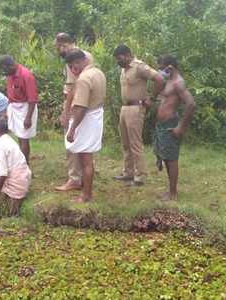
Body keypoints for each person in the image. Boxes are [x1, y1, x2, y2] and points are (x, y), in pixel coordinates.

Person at [113, 45, 164, 186]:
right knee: (125, 143)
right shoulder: (124, 69)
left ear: (128, 54)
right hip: (125, 108)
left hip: (136, 108)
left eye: (120, 58)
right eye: (116, 59)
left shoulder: (139, 66)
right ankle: (128, 172)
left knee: (135, 143)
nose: (118, 61)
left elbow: (159, 79)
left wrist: (151, 98)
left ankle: (140, 176)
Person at [54, 32, 94, 192]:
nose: (59, 50)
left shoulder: (72, 59)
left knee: (71, 141)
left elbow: (73, 88)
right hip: (87, 104)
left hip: (77, 103)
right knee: (85, 142)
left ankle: (74, 179)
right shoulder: (86, 56)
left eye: (59, 47)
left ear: (64, 44)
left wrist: (66, 111)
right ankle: (85, 176)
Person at [64, 49, 106, 203]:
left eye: (73, 66)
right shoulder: (98, 72)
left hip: (86, 119)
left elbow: (81, 108)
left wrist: (72, 129)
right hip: (95, 115)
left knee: (85, 159)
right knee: (87, 158)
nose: (73, 70)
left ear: (79, 62)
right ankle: (86, 192)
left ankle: (86, 195)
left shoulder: (84, 78)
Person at [154, 55, 194, 201]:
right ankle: (170, 190)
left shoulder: (178, 83)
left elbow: (190, 104)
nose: (161, 71)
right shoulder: (169, 81)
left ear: (170, 67)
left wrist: (181, 127)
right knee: (166, 157)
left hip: (171, 124)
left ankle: (173, 193)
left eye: (162, 68)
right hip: (162, 124)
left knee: (171, 159)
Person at [0, 55, 38, 165]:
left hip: (26, 108)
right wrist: (6, 111)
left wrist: (28, 118)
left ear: (11, 65)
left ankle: (25, 166)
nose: (4, 72)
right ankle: (20, 163)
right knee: (19, 137)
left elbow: (32, 99)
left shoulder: (26, 75)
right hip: (14, 107)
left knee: (24, 137)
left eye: (4, 69)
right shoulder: (10, 74)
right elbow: (10, 95)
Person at [0, 118, 32, 216]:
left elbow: (3, 174)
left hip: (16, 184)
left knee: (1, 211)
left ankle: (12, 209)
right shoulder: (9, 140)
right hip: (24, 179)